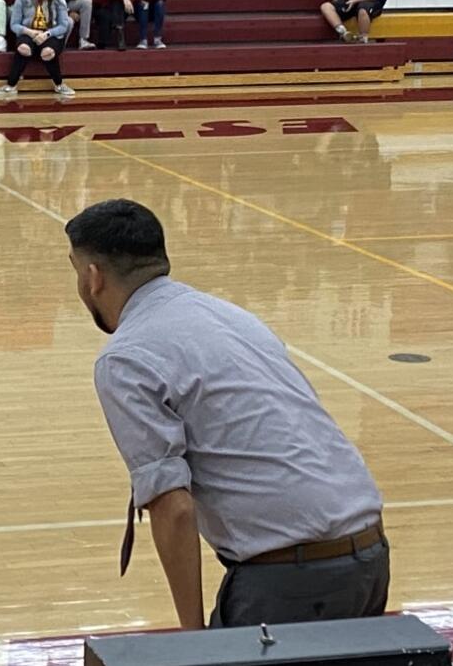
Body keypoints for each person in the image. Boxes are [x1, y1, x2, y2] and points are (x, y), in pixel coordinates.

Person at [64, 198, 389, 630]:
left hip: (292, 577)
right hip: (369, 555)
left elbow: (174, 509)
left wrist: (195, 637)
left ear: (92, 277)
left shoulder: (125, 358)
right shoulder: (232, 316)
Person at [0, 0, 75, 97]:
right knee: (23, 48)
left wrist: (46, 34)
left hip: (50, 35)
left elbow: (64, 25)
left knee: (48, 52)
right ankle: (11, 85)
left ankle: (59, 84)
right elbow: (14, 25)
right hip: (28, 34)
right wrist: (30, 32)